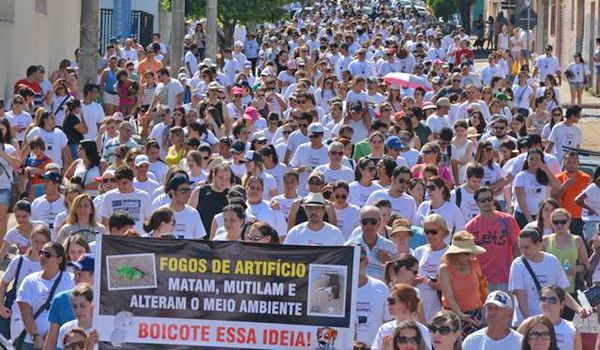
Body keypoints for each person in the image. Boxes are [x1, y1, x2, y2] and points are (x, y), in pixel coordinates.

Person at [508, 228, 588, 328]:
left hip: (550, 322)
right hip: (526, 322)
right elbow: (521, 297)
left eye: (527, 247)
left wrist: (579, 309)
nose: (523, 251)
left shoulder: (552, 261)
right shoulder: (517, 264)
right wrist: (530, 323)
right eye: (521, 247)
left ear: (538, 244)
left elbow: (561, 291)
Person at [16, 242, 75, 349]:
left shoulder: (71, 280)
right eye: (41, 253)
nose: (42, 256)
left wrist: (51, 335)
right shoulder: (29, 281)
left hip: (59, 343)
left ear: (59, 259)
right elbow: (25, 313)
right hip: (31, 342)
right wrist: (36, 336)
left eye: (47, 254)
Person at [465, 186, 520, 292]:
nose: (487, 203)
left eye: (489, 199)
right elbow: (468, 255)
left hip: (505, 277)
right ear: (477, 202)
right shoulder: (471, 227)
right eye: (482, 200)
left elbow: (516, 246)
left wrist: (515, 271)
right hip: (482, 279)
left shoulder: (508, 220)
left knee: (506, 308)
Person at [0, 225, 50, 340]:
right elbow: (4, 284)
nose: (39, 245)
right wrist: (1, 305)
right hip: (19, 314)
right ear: (30, 240)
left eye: (43, 242)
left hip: (43, 316)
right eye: (36, 241)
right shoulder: (19, 260)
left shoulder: (51, 263)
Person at [542, 209, 589, 321]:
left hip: (569, 288)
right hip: (549, 289)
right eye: (555, 222)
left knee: (566, 323)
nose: (559, 225)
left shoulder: (576, 240)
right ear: (551, 222)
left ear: (569, 221)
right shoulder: (546, 240)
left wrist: (576, 268)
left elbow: (586, 264)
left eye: (563, 221)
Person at [438, 231, 486, 336]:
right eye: (466, 253)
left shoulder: (474, 264)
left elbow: (482, 287)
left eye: (470, 253)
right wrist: (460, 314)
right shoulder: (445, 269)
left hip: (475, 314)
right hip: (453, 314)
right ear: (456, 253)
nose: (470, 257)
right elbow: (449, 296)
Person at [517, 285, 581, 350]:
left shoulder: (572, 329)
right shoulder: (528, 323)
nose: (546, 303)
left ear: (562, 304)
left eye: (552, 300)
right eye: (543, 299)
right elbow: (515, 346)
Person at [371, 283, 431, 350]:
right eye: (388, 301)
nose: (388, 304)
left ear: (408, 303)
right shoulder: (384, 329)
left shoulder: (422, 331)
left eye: (392, 301)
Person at [345, 206, 397, 281]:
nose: (369, 225)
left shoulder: (390, 246)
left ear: (379, 223)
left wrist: (388, 261)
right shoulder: (349, 246)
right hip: (358, 290)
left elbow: (397, 274)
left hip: (380, 290)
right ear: (360, 223)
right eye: (365, 222)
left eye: (373, 222)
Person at [414, 214, 449, 322]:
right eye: (426, 232)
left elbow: (453, 286)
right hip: (420, 309)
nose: (429, 235)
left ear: (444, 232)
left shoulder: (449, 254)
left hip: (441, 309)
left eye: (433, 232)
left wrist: (428, 281)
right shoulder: (419, 251)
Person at [98, 165, 152, 234]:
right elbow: (105, 222)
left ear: (132, 180)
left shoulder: (144, 196)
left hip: (138, 238)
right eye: (118, 183)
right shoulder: (109, 196)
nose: (121, 186)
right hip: (117, 240)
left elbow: (148, 221)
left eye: (124, 183)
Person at [355, 247, 392, 344]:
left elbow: (389, 321)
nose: (353, 264)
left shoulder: (380, 288)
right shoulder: (338, 289)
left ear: (366, 262)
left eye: (357, 260)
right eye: (350, 259)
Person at [555, 151, 590, 239]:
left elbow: (591, 198)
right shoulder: (558, 178)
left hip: (581, 219)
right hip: (563, 219)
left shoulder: (586, 178)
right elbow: (554, 199)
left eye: (574, 162)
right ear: (564, 162)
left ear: (578, 163)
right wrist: (564, 187)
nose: (571, 165)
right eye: (569, 162)